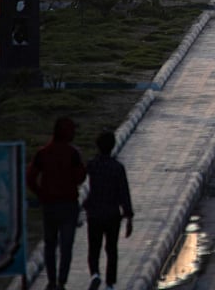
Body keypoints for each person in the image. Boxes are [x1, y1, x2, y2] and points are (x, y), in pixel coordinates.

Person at [26, 117, 87, 290]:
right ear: (66, 132)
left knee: (50, 243)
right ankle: (62, 281)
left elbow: (30, 177)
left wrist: (40, 193)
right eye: (72, 130)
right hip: (68, 205)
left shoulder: (43, 153)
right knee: (66, 245)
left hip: (49, 205)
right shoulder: (72, 153)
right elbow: (80, 177)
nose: (74, 133)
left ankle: (52, 280)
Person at [84, 130, 134, 290]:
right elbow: (123, 193)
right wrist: (129, 216)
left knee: (94, 247)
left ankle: (95, 274)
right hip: (113, 214)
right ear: (113, 146)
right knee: (111, 248)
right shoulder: (117, 168)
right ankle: (110, 283)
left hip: (94, 214)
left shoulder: (92, 165)